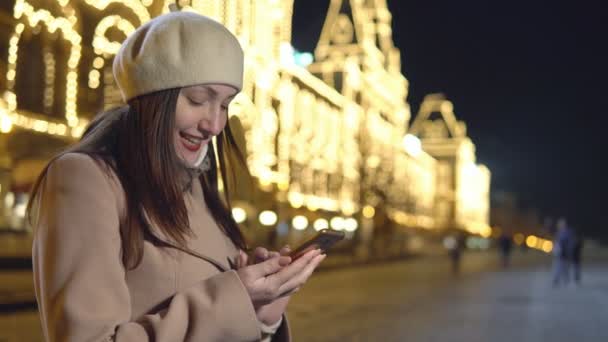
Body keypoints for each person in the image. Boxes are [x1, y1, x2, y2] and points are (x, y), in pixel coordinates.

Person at [28, 6, 325, 341]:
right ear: (153, 98)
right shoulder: (86, 179)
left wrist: (262, 314)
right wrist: (233, 295)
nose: (214, 124)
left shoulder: (200, 189)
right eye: (198, 99)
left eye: (226, 105)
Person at [551, 218, 572, 287]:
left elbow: (569, 243)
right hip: (560, 253)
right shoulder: (559, 232)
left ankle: (566, 279)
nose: (559, 225)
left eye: (561, 224)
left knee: (565, 267)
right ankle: (556, 279)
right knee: (558, 266)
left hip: (565, 252)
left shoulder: (567, 232)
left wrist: (568, 250)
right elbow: (557, 242)